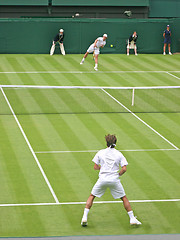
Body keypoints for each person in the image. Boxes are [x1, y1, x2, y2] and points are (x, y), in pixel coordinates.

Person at [81, 134, 142, 227]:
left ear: (106, 143)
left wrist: (102, 168)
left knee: (92, 196)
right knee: (123, 198)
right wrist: (118, 174)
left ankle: (84, 217)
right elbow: (124, 169)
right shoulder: (119, 154)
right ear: (115, 143)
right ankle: (132, 218)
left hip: (102, 179)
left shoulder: (100, 152)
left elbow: (95, 167)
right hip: (114, 179)